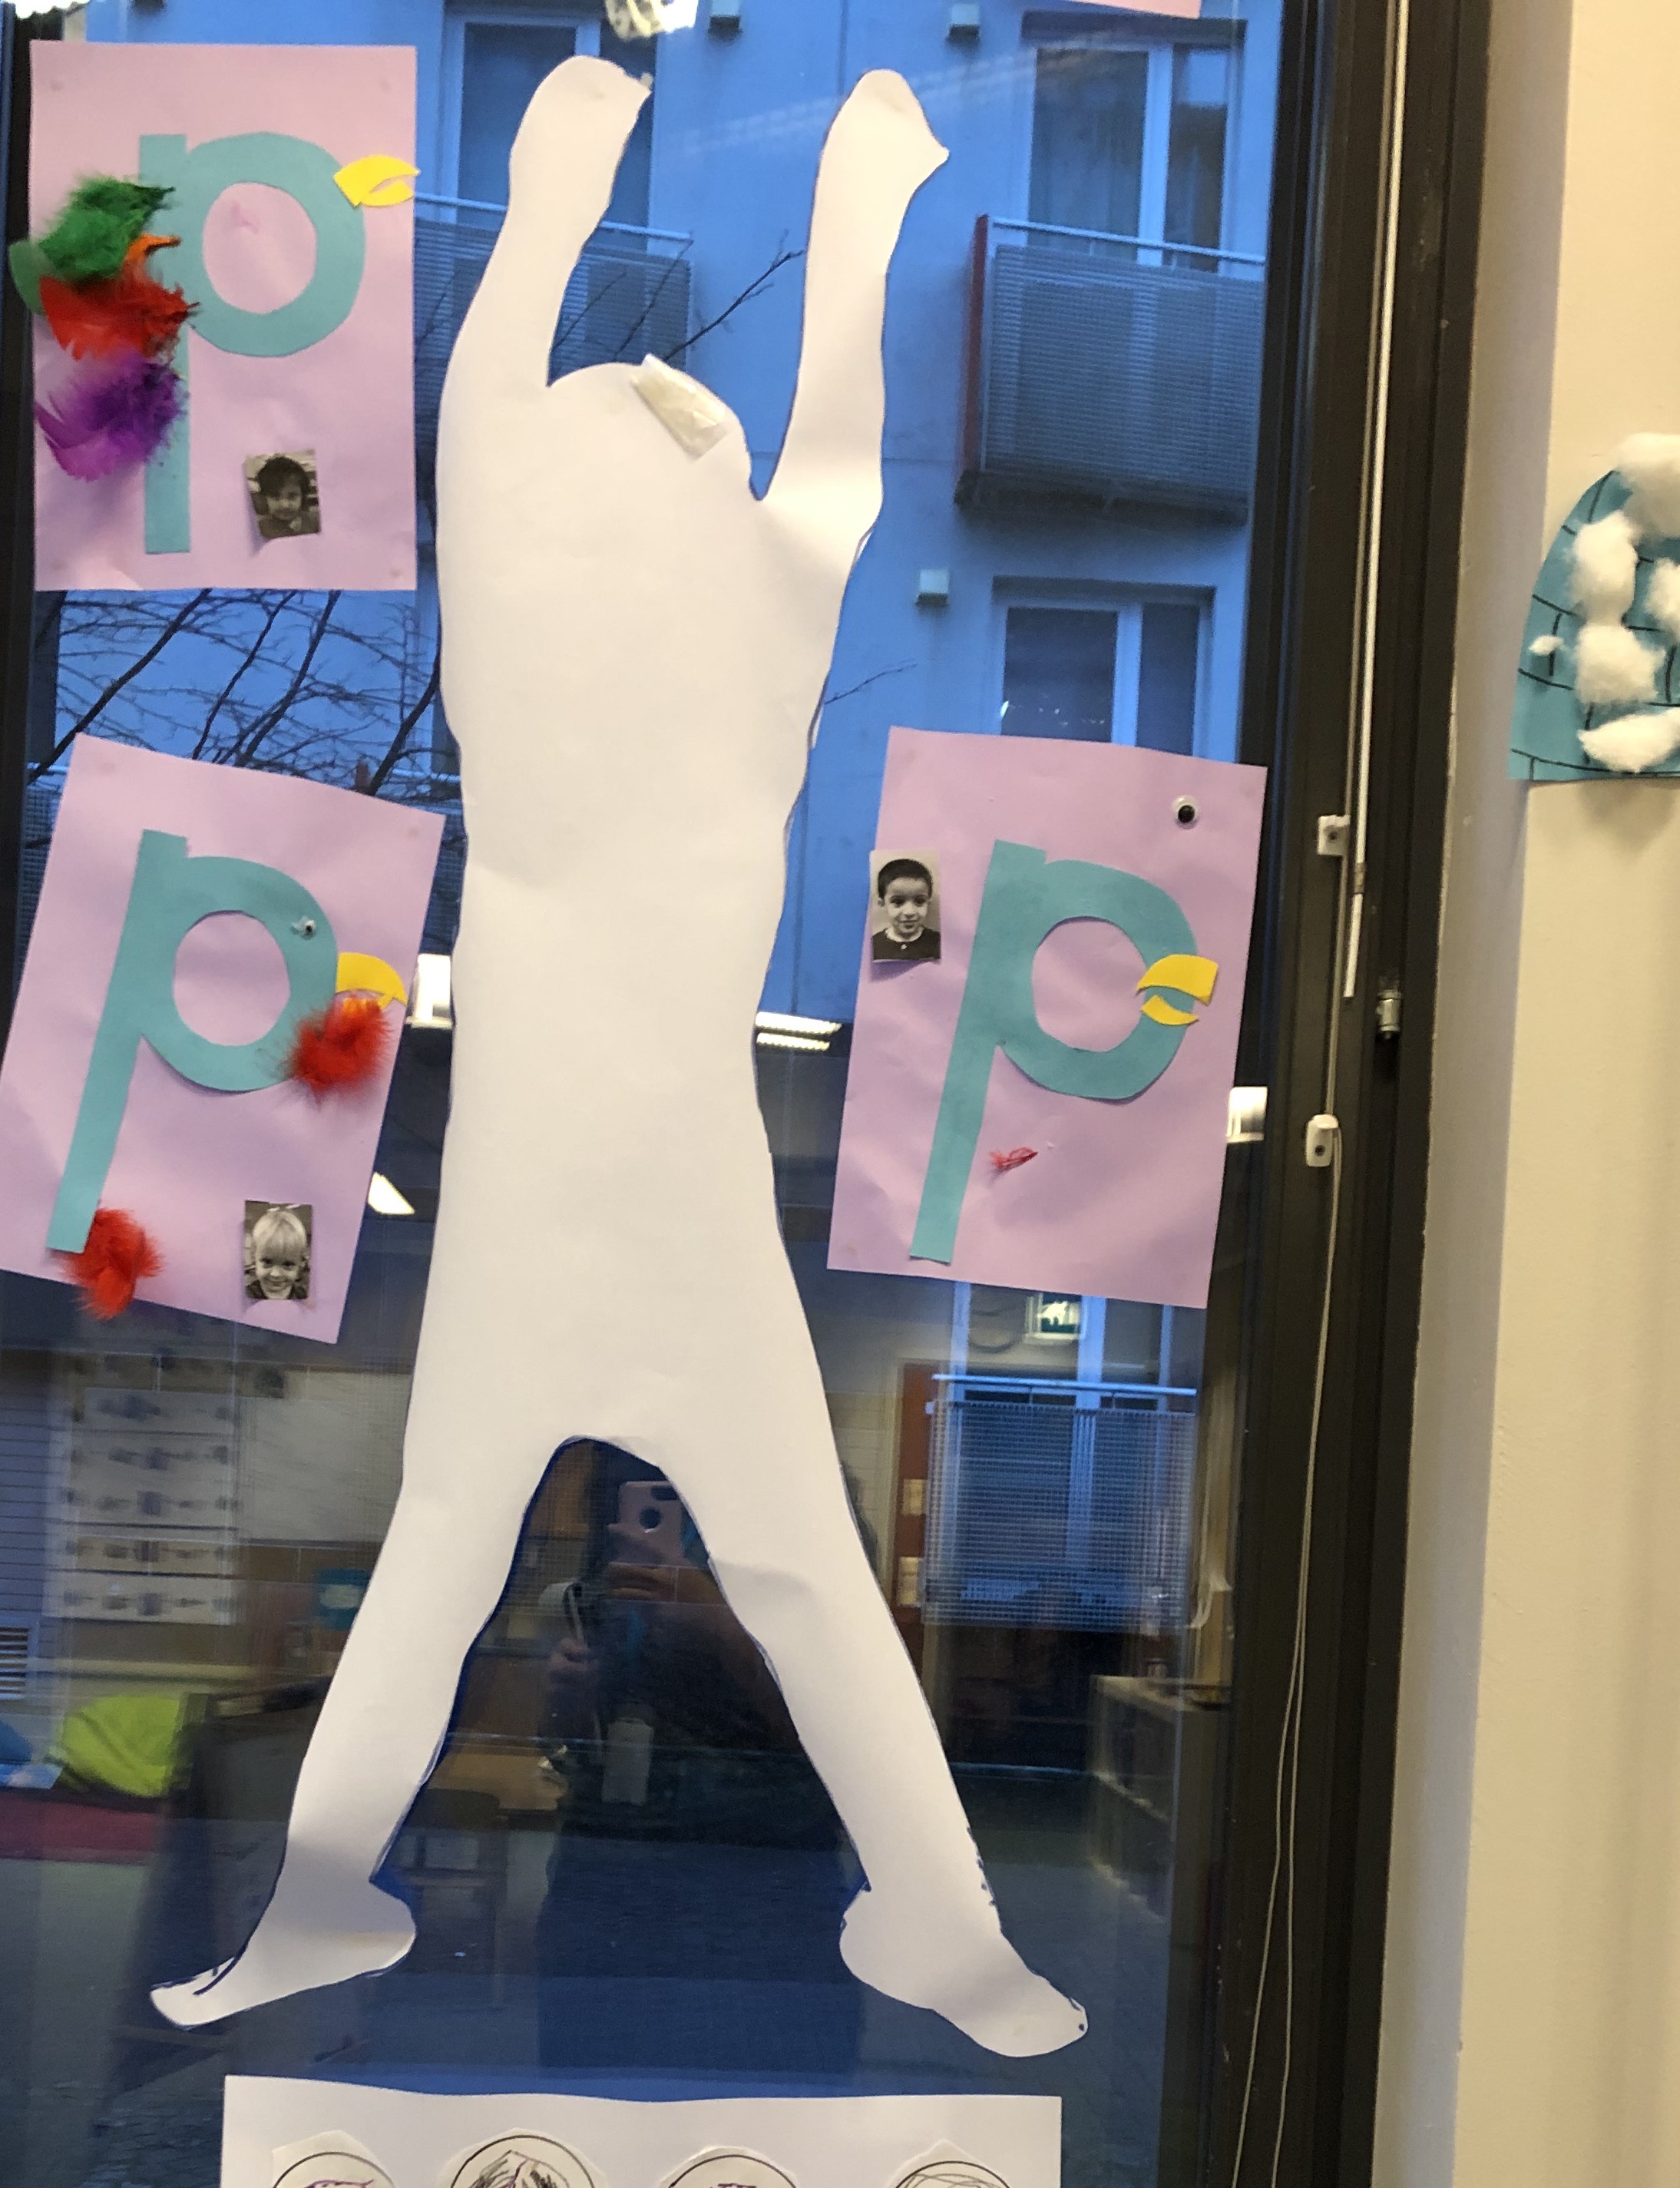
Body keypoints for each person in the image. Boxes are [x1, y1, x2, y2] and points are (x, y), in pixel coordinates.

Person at [154, 60, 1084, 2062]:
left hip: (530, 1207)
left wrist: (554, 183)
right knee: (799, 1570)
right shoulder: (750, 644)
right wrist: (857, 209)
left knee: (450, 1551)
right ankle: (947, 1927)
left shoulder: (521, 639)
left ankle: (318, 1904)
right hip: (680, 1204)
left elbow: (496, 406)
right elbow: (827, 456)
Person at [869, 852, 939, 962]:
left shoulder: (939, 944)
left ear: (928, 903)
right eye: (898, 902)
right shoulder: (873, 946)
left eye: (920, 901)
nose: (909, 912)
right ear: (882, 903)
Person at [243, 1202, 311, 1303]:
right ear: (254, 1257)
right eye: (267, 1262)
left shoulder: (302, 1295)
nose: (276, 1274)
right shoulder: (246, 1295)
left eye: (288, 1264)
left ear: (300, 1263)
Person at [246, 452, 319, 542]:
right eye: (275, 497)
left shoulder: (316, 522)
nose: (285, 505)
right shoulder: (260, 530)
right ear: (265, 498)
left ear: (303, 496)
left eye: (292, 496)